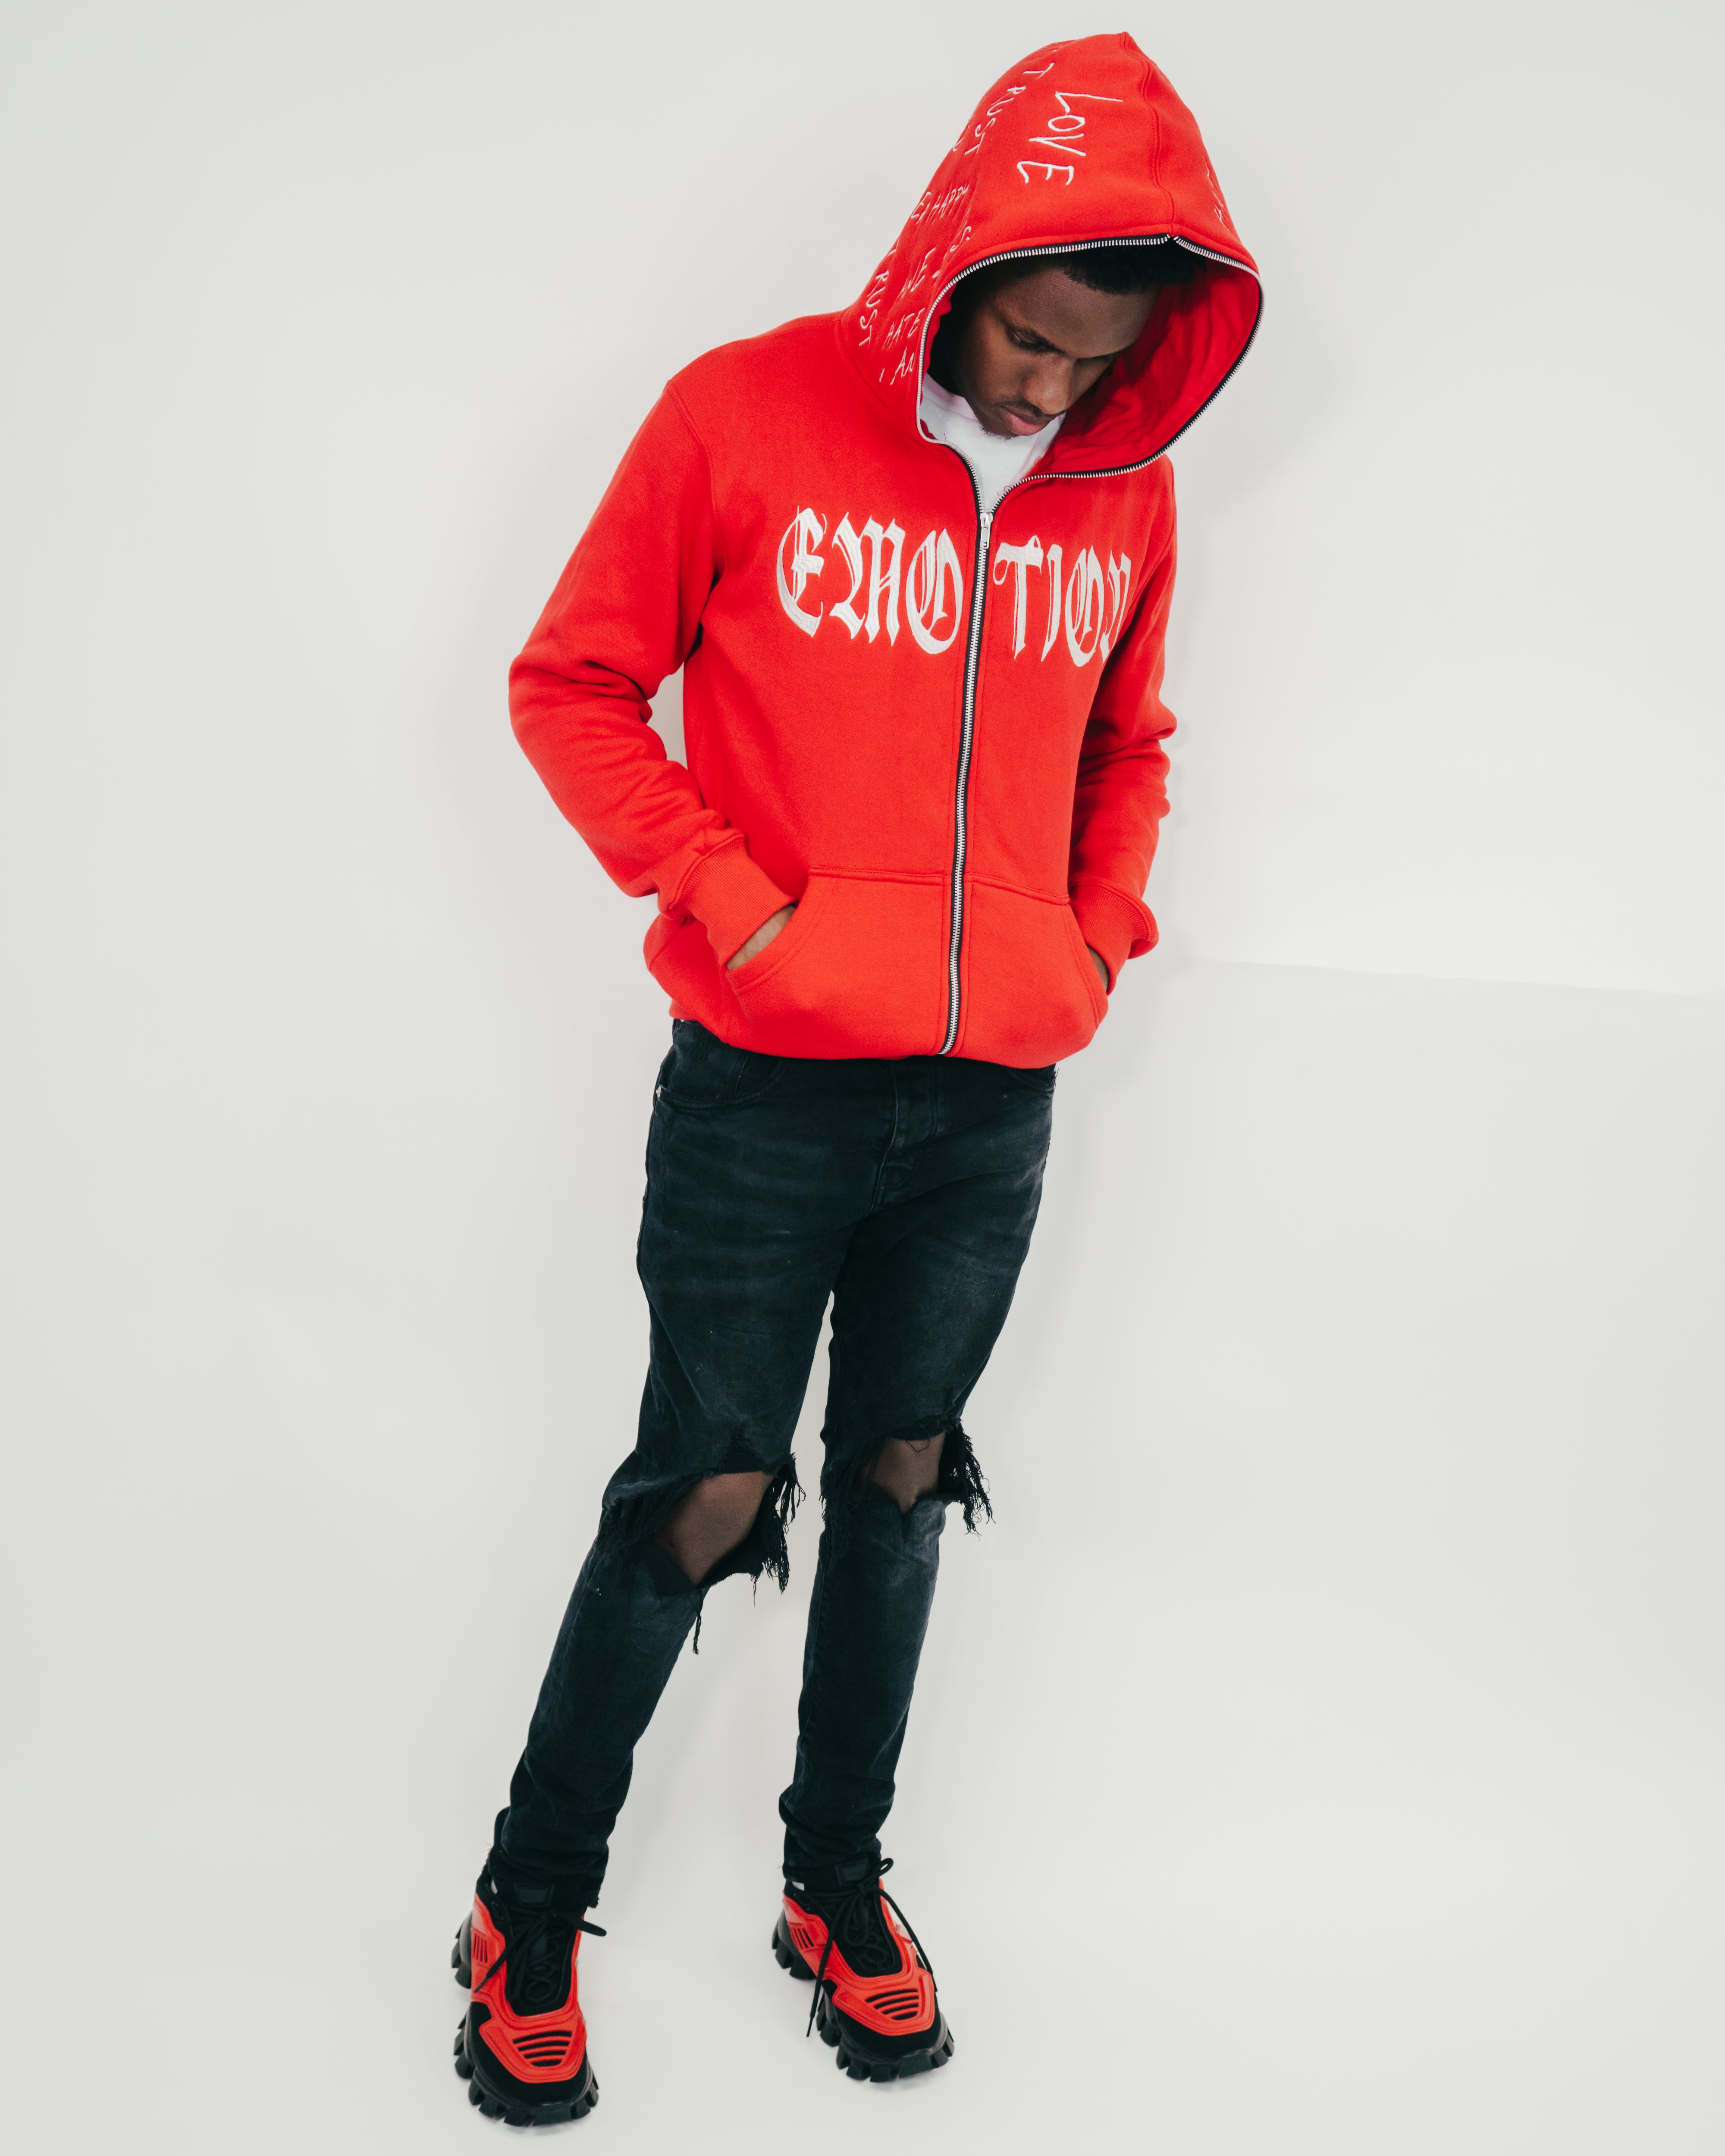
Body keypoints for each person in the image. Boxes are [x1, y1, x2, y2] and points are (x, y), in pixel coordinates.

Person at [451, 31, 1260, 2125]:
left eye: (1092, 363)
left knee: (900, 1471)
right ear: (950, 268)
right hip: (769, 1084)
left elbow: (1130, 740)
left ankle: (832, 1883)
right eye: (1026, 340)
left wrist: (1097, 934)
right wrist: (739, 908)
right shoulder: (742, 414)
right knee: (705, 1487)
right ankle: (525, 1905)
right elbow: (570, 682)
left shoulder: (1123, 479)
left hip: (989, 1102)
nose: (1046, 392)